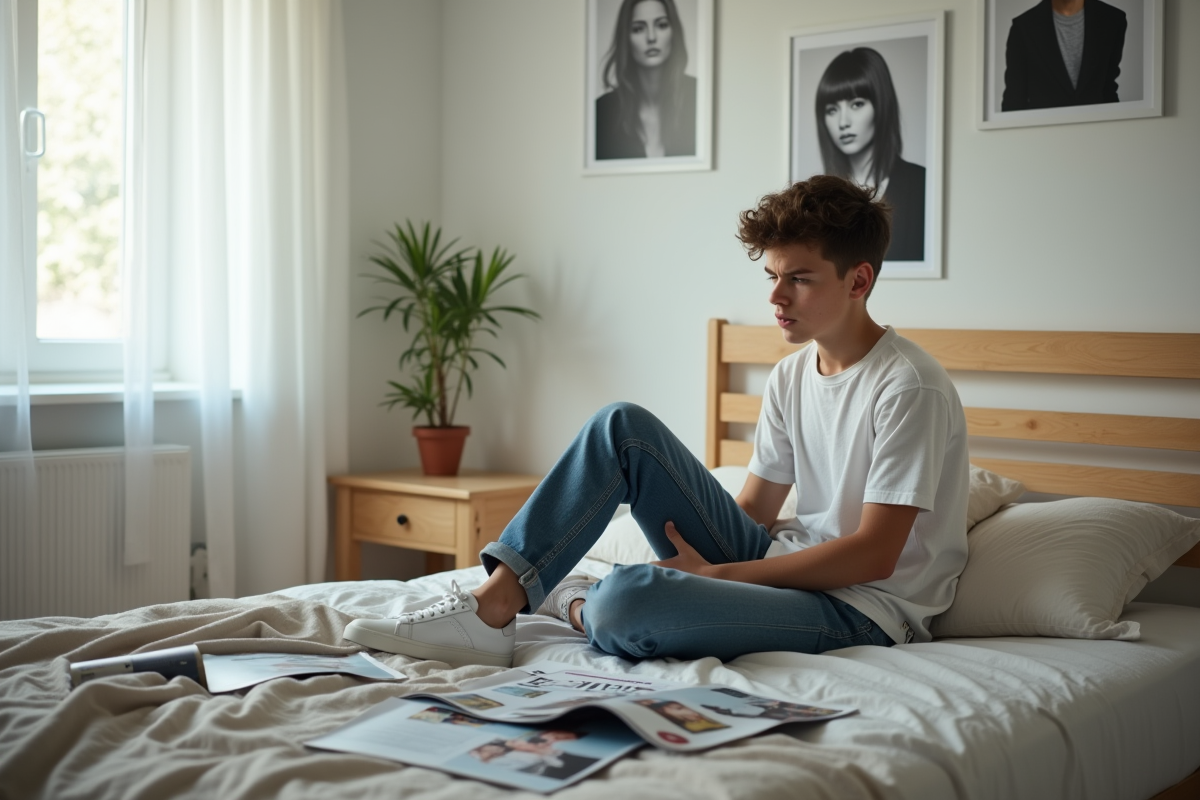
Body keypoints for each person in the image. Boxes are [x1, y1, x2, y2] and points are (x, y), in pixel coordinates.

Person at [343, 175, 970, 668]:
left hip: (862, 611)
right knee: (624, 426)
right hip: (780, 567)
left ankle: (576, 600)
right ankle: (495, 605)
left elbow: (874, 555)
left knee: (626, 602)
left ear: (859, 279)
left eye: (799, 280)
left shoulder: (910, 387)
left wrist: (718, 578)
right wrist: (711, 567)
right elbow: (753, 510)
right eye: (772, 277)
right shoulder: (791, 374)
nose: (776, 298)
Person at [814, 47, 925, 262]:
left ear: (881, 106)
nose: (843, 122)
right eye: (832, 110)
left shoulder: (921, 184)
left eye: (857, 104)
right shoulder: (816, 202)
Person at [595, 0, 696, 160]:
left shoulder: (700, 98)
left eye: (661, 25)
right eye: (638, 29)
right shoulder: (601, 113)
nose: (651, 37)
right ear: (625, 38)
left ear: (674, 31)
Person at [1001, 0, 1127, 111]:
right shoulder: (1023, 28)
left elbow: (1108, 88)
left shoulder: (1113, 20)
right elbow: (1014, 100)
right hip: (1043, 132)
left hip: (1098, 130)